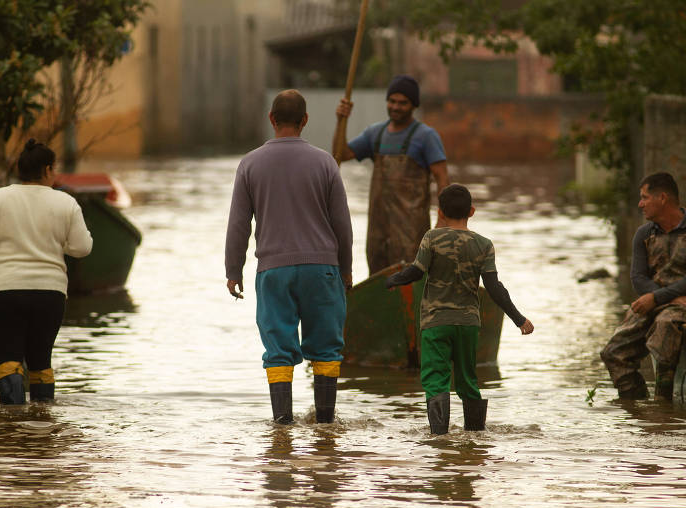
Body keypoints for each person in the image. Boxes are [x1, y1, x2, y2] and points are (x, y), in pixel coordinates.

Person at [225, 89, 353, 424]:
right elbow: (342, 225)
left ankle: (281, 428)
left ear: (271, 119)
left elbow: (239, 224)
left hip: (274, 271)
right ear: (305, 121)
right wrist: (347, 271)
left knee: (278, 350)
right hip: (322, 269)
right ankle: (325, 427)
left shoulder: (250, 164)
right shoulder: (325, 162)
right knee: (326, 348)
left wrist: (233, 270)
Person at [385, 184, 533, 434]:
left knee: (435, 381)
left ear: (440, 212)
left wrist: (392, 280)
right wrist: (519, 319)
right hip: (468, 325)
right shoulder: (484, 244)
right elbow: (494, 287)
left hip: (436, 323)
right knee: (467, 381)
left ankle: (439, 442)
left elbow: (416, 272)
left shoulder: (432, 238)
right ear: (472, 211)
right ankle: (475, 439)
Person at [0, 139, 93, 405]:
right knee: (41, 361)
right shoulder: (65, 203)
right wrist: (59, 245)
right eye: (53, 169)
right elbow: (82, 247)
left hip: (4, 290)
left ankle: (11, 428)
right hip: (50, 293)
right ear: (47, 170)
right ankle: (42, 427)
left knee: (9, 360)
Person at [334, 74, 450, 274]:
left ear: (413, 105)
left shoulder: (426, 136)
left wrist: (443, 220)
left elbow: (442, 179)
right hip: (378, 229)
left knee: (411, 275)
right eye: (392, 101)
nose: (395, 107)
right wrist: (341, 120)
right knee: (379, 276)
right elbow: (340, 154)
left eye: (402, 103)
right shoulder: (375, 134)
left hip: (412, 232)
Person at [601, 172, 686, 400]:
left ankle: (662, 404)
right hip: (653, 301)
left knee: (664, 327)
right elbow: (637, 278)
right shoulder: (643, 234)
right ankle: (636, 407)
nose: (640, 204)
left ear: (663, 198)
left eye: (645, 197)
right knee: (613, 352)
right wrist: (662, 298)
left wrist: (659, 298)